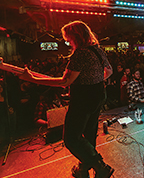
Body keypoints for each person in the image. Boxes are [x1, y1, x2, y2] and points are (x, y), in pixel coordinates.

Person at [19, 20, 114, 178]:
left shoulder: (80, 53)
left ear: (75, 36)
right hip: (98, 95)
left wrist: (31, 78)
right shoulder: (97, 50)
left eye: (68, 38)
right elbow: (109, 71)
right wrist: (94, 79)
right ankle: (83, 169)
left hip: (83, 98)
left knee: (70, 138)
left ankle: (100, 166)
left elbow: (65, 81)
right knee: (89, 134)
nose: (67, 41)